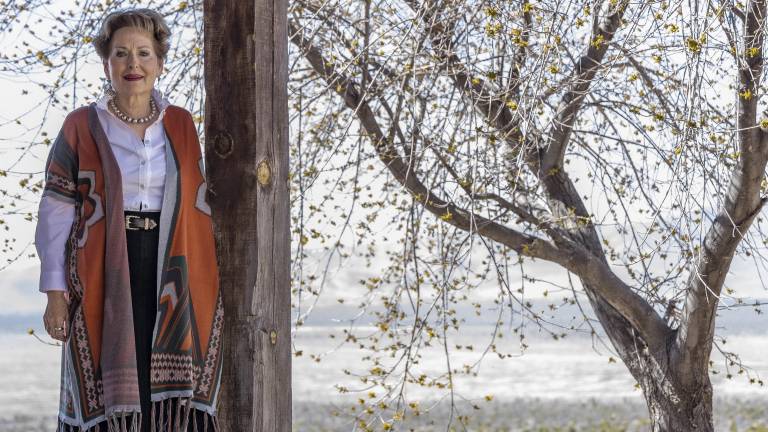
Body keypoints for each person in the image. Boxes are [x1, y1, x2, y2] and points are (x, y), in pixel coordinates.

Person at [35, 8, 223, 432]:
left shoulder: (180, 124)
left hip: (171, 270)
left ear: (159, 62)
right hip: (104, 268)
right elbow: (56, 210)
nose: (132, 64)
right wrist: (55, 292)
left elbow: (198, 206)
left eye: (143, 53)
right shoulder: (81, 126)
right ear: (107, 62)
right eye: (121, 54)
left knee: (164, 386)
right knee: (110, 381)